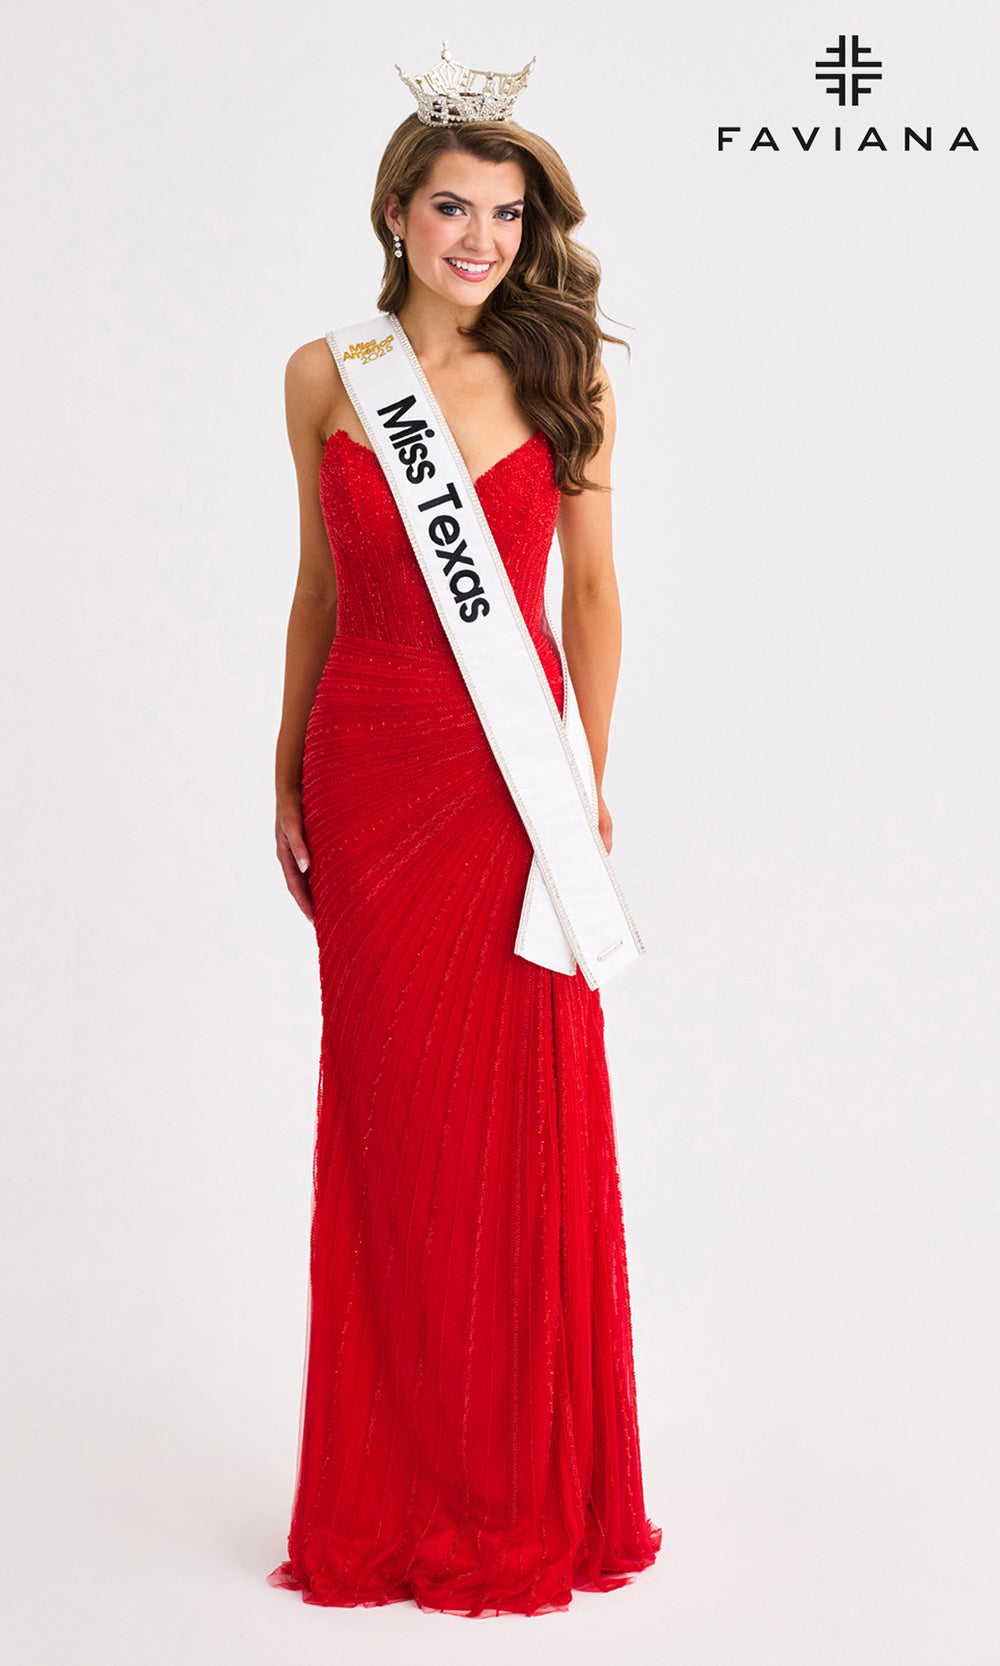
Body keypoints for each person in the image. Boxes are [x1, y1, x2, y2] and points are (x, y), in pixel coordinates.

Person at [268, 47, 661, 1618]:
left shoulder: (567, 377)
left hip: (513, 785)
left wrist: (591, 773)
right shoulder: (325, 373)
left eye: (505, 215)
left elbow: (594, 599)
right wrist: (281, 759)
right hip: (368, 777)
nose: (481, 240)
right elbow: (317, 587)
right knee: (387, 1125)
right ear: (397, 212)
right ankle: (394, 1475)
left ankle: (514, 1480)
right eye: (453, 208)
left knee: (519, 1115)